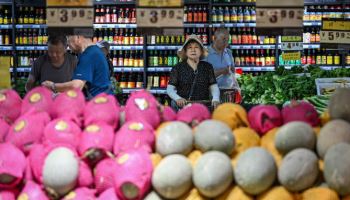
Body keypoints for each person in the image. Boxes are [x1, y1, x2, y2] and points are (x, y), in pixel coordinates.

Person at [42, 34, 114, 98]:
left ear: (78, 37)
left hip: (99, 106)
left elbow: (76, 86)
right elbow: (85, 85)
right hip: (102, 102)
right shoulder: (92, 51)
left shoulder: (89, 55)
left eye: (69, 37)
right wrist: (62, 95)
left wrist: (53, 86)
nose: (67, 43)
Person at [167, 34, 220, 111]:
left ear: (201, 51)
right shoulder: (177, 68)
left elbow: (213, 86)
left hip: (203, 107)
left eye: (196, 47)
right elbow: (170, 89)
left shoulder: (207, 67)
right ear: (185, 51)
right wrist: (178, 98)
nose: (193, 50)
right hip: (184, 107)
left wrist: (215, 98)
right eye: (189, 47)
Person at [204, 27, 241, 102]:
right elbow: (203, 76)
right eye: (223, 39)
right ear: (214, 38)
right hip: (211, 95)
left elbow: (232, 72)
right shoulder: (205, 53)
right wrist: (221, 71)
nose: (226, 43)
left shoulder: (229, 52)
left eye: (227, 40)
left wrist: (237, 88)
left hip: (228, 93)